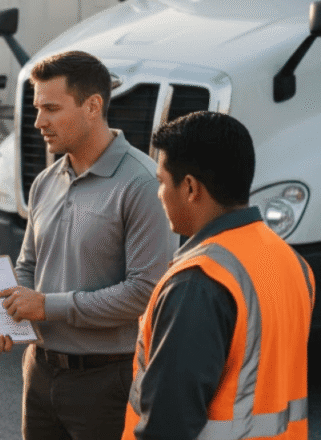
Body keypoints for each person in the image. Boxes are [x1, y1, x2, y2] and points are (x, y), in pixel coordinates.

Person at [0, 52, 174, 440]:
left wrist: (47, 306)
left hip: (107, 380)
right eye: (37, 109)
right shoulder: (45, 181)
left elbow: (145, 292)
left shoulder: (140, 185)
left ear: (93, 106)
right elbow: (28, 267)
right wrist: (5, 319)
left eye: (51, 109)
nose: (38, 122)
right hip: (39, 371)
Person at [124, 111, 314, 440]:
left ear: (190, 188)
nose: (159, 194)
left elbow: (169, 423)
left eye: (161, 182)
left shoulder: (198, 281)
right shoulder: (292, 262)